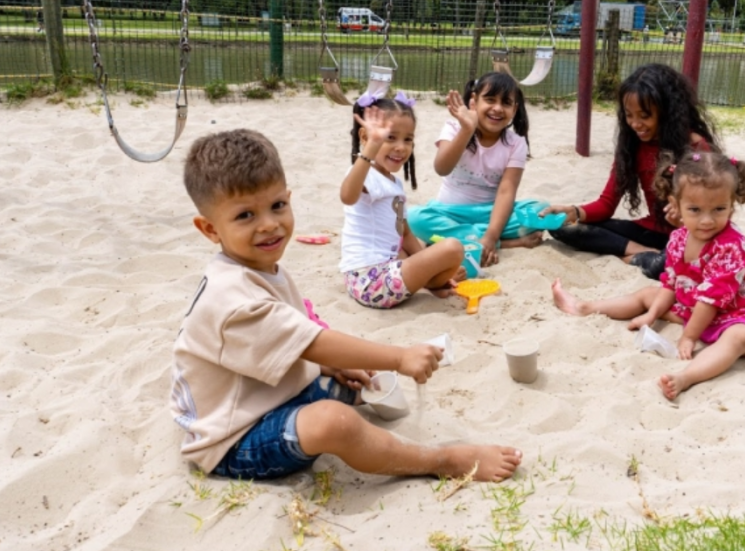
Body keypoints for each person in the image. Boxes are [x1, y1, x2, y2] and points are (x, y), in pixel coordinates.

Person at [171, 128, 522, 481]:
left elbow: (292, 340)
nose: (269, 225)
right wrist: (400, 357)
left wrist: (327, 366)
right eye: (245, 215)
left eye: (277, 205)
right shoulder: (233, 298)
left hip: (267, 393)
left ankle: (345, 399)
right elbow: (313, 343)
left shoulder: (257, 267)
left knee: (357, 379)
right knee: (334, 423)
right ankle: (440, 461)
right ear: (210, 229)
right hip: (236, 439)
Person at [551, 151, 745, 401]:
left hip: (741, 312)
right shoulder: (679, 238)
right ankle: (585, 307)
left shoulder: (731, 246)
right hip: (700, 309)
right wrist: (652, 314)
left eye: (719, 209)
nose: (707, 220)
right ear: (676, 205)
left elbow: (711, 300)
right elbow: (671, 283)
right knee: (649, 294)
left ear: (732, 205)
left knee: (739, 338)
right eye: (695, 210)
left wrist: (689, 337)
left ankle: (686, 378)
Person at [541, 63, 720, 280]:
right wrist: (574, 211)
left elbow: (714, 213)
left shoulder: (696, 148)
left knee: (669, 266)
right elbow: (606, 205)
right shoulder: (631, 145)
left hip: (691, 236)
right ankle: (640, 253)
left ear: (666, 111)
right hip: (651, 232)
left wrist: (683, 220)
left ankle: (647, 258)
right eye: (629, 115)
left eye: (644, 116)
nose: (636, 124)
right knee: (562, 227)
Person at [339, 91, 467, 309]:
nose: (401, 147)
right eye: (390, 137)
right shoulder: (365, 174)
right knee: (453, 248)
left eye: (408, 139)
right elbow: (347, 196)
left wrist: (429, 263)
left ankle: (431, 282)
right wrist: (371, 148)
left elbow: (405, 233)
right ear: (364, 137)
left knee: (423, 252)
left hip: (386, 270)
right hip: (369, 280)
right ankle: (429, 281)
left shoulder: (394, 184)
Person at [406, 72, 547, 269]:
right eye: (490, 100)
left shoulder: (516, 143)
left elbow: (507, 191)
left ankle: (459, 240)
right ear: (474, 102)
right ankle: (505, 243)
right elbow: (442, 168)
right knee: (412, 218)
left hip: (492, 214)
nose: (497, 108)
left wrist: (491, 234)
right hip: (449, 213)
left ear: (514, 109)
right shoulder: (454, 128)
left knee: (541, 210)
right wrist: (466, 130)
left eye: (506, 103)